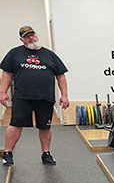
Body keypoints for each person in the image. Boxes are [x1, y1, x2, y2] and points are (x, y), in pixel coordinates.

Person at [0, 26, 69, 166]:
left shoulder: (50, 55)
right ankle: (8, 153)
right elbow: (7, 74)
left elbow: (60, 76)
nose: (30, 38)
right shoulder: (15, 53)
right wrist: (2, 92)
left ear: (36, 35)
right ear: (21, 39)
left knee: (45, 127)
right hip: (22, 96)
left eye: (32, 34)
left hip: (45, 97)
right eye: (26, 36)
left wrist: (64, 95)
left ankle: (46, 153)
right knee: (15, 124)